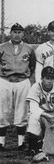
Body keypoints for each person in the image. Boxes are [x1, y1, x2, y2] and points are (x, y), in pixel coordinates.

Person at [0, 23, 36, 151]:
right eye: (14, 32)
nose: (17, 34)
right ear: (11, 33)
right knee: (3, 110)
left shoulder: (28, 48)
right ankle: (1, 142)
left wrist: (26, 76)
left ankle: (20, 143)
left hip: (22, 81)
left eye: (19, 32)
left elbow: (32, 65)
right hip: (5, 80)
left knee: (22, 110)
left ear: (23, 34)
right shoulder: (2, 47)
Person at [26, 66, 54, 161]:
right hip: (42, 114)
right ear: (42, 78)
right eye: (47, 78)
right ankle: (33, 147)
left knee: (52, 151)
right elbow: (33, 108)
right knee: (33, 117)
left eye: (52, 78)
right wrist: (46, 115)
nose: (50, 81)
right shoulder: (36, 87)